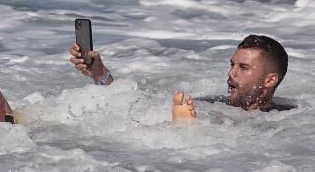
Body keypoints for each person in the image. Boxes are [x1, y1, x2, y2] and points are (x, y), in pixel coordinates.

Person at [68, 34, 289, 122]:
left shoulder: (282, 118)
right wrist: (100, 74)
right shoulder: (210, 103)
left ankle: (186, 131)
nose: (232, 73)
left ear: (270, 80)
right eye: (232, 64)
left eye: (244, 67)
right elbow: (133, 103)